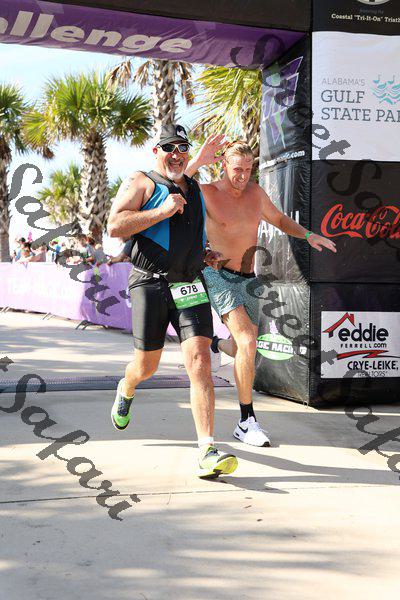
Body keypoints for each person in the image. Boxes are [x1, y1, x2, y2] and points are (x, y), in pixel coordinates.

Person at [107, 123, 238, 479]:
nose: (176, 154)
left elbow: (188, 233)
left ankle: (207, 450)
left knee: (200, 362)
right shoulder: (142, 182)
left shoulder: (193, 188)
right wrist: (162, 212)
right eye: (169, 147)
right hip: (149, 284)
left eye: (182, 147)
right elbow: (115, 226)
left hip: (190, 283)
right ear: (156, 151)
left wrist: (204, 253)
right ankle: (126, 387)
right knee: (145, 367)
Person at [186, 138, 337, 447]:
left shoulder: (255, 193)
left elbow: (279, 219)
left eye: (248, 169)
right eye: (236, 169)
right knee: (248, 341)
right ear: (224, 165)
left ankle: (217, 345)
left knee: (242, 347)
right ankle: (246, 421)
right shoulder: (208, 193)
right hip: (217, 275)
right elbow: (173, 187)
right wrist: (198, 161)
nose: (242, 176)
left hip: (248, 278)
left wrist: (308, 235)